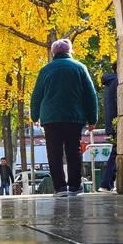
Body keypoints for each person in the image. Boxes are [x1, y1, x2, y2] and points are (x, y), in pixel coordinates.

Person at [30, 38, 98, 198]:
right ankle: (75, 186)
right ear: (69, 52)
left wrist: (35, 116)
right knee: (73, 150)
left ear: (53, 53)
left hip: (51, 118)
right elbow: (90, 95)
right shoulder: (80, 68)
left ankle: (59, 187)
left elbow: (36, 95)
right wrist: (92, 119)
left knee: (54, 152)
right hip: (73, 116)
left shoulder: (45, 70)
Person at [99, 61, 118, 192]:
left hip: (112, 122)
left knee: (116, 152)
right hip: (117, 121)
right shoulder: (117, 82)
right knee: (116, 152)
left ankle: (107, 183)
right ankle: (106, 183)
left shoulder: (109, 83)